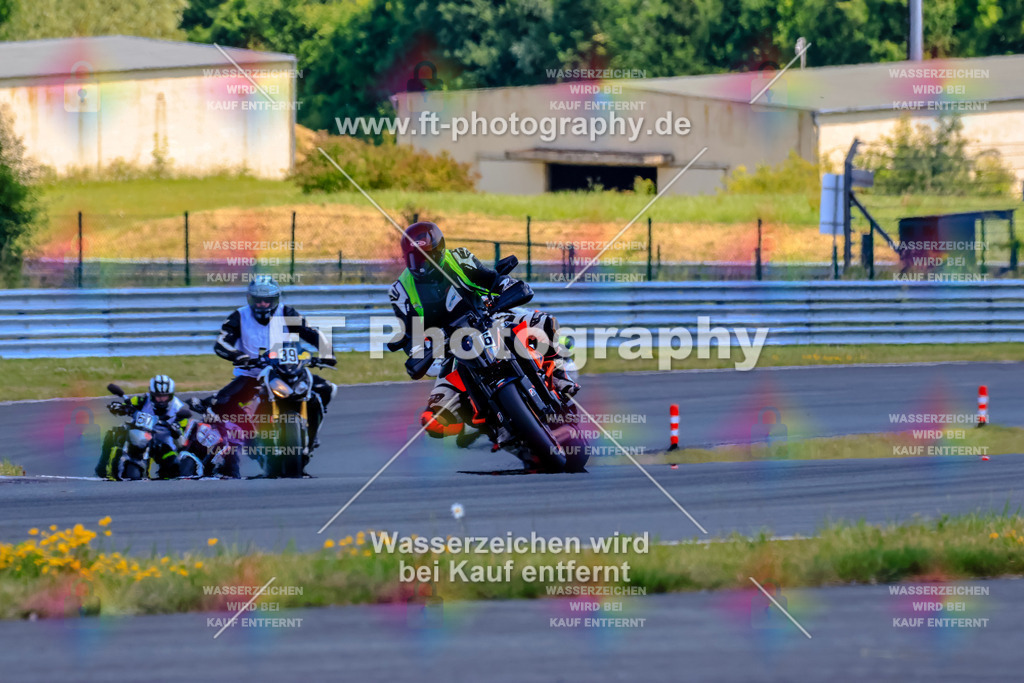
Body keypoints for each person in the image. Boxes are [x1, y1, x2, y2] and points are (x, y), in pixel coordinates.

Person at [387, 221, 578, 439]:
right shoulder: (400, 290)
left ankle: (561, 377)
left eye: (425, 256)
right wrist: (420, 350)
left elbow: (492, 280)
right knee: (433, 419)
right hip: (450, 347)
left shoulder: (458, 257)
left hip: (486, 317)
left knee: (542, 322)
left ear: (439, 249)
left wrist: (506, 288)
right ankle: (477, 429)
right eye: (414, 258)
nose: (421, 264)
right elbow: (411, 333)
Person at [211, 276, 336, 453]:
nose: (262, 304)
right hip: (252, 374)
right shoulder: (239, 316)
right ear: (249, 299)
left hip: (286, 372)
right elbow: (221, 343)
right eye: (258, 300)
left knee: (326, 389)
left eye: (267, 300)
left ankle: (311, 434)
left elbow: (312, 332)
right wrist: (237, 356)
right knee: (220, 403)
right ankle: (250, 436)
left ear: (276, 299)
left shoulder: (288, 313)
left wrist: (327, 353)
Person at [95, 375, 195, 480]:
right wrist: (118, 407)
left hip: (163, 443)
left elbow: (182, 441)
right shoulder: (141, 400)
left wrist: (176, 431)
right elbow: (125, 405)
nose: (161, 400)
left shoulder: (179, 409)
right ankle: (103, 466)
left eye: (164, 396)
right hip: (140, 436)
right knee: (115, 432)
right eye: (158, 396)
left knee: (173, 465)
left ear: (171, 395)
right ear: (151, 394)